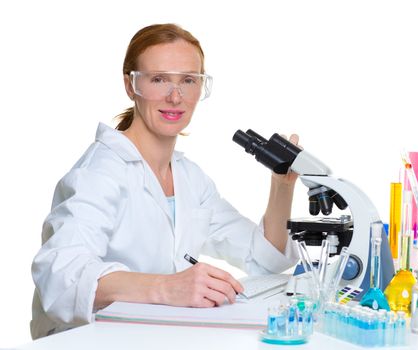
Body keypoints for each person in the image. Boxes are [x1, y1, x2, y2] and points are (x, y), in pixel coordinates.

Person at [31, 23, 300, 339]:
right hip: (84, 340)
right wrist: (169, 287)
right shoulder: (99, 173)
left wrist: (282, 184)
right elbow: (61, 278)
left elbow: (265, 258)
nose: (176, 96)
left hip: (152, 337)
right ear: (131, 86)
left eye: (188, 80)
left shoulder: (189, 179)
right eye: (159, 79)